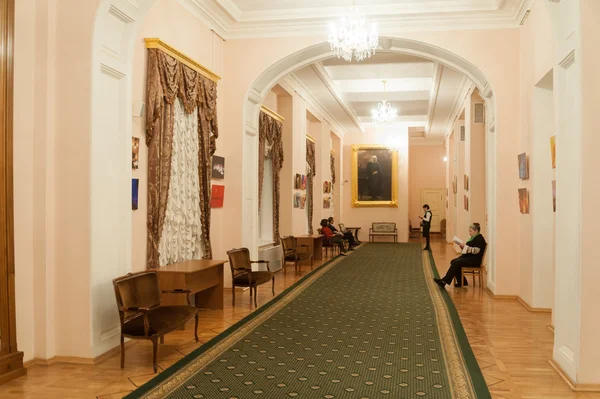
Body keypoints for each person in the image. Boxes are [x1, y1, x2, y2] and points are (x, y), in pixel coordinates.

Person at [434, 223, 486, 288]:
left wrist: (465, 247)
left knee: (456, 263)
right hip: (470, 258)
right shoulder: (474, 238)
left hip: (474, 260)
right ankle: (462, 282)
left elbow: (476, 251)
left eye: (471, 231)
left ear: (476, 231)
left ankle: (444, 282)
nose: (469, 233)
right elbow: (470, 248)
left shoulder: (480, 239)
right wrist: (464, 247)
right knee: (453, 261)